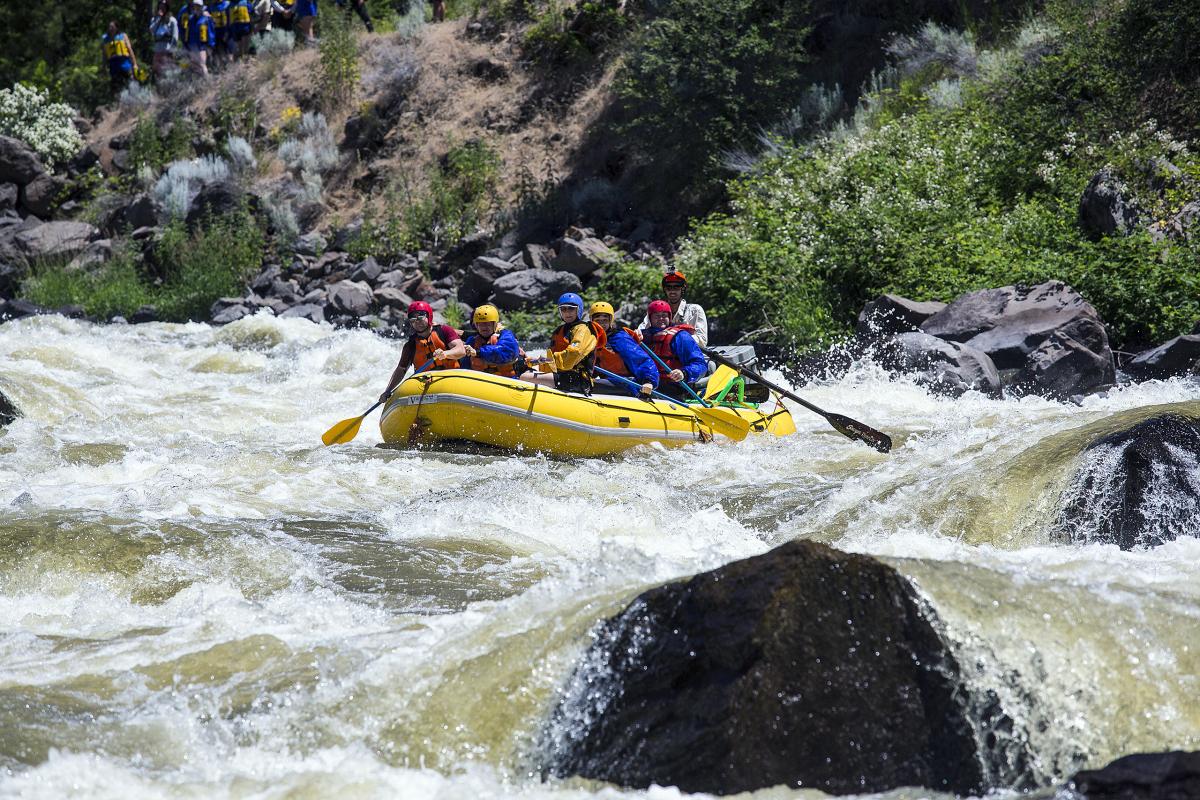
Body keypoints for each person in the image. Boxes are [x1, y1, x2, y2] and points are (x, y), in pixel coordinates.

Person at [377, 301, 466, 403]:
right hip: (427, 386)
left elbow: (461, 350)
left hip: (452, 380)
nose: (417, 322)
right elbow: (401, 370)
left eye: (420, 317)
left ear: (429, 316)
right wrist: (387, 391)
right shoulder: (410, 345)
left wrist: (446, 354)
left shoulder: (444, 331)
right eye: (413, 319)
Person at [535, 293, 606, 395]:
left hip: (578, 379)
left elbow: (573, 354)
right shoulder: (559, 331)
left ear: (579, 309)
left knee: (525, 377)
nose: (567, 312)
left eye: (571, 309)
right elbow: (549, 357)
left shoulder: (583, 330)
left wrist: (548, 360)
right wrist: (532, 362)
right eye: (563, 309)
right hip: (562, 375)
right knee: (527, 371)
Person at [640, 299, 708, 400]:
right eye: (657, 316)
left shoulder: (681, 336)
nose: (661, 319)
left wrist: (684, 373)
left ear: (670, 317)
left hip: (675, 389)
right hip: (647, 385)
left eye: (664, 315)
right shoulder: (642, 336)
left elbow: (700, 365)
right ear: (650, 319)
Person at [589, 301, 657, 398]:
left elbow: (641, 360)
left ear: (610, 321)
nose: (601, 324)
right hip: (609, 381)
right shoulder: (591, 338)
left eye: (605, 320)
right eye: (598, 320)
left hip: (627, 384)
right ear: (592, 321)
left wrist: (648, 381)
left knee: (587, 384)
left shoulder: (620, 338)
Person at [639, 266, 708, 347]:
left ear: (682, 289)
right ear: (665, 290)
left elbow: (702, 341)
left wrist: (673, 337)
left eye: (676, 287)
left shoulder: (695, 310)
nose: (672, 291)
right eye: (669, 287)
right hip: (661, 357)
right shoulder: (656, 310)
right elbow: (641, 331)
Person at [461, 304, 525, 377]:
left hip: (508, 380)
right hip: (481, 381)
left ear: (495, 324)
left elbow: (506, 351)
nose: (484, 327)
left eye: (488, 324)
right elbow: (465, 367)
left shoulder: (506, 335)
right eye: (481, 324)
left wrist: (478, 352)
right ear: (476, 326)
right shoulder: (472, 341)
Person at [101, 22, 140, 95]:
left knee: (130, 81)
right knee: (115, 85)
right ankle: (118, 102)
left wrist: (134, 64)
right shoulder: (105, 39)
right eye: (109, 27)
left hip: (124, 62)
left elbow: (129, 49)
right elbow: (104, 54)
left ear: (116, 28)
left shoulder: (123, 36)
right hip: (113, 65)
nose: (111, 29)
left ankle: (135, 97)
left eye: (112, 27)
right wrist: (103, 68)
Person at [180, 0, 215, 76]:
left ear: (202, 7)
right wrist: (186, 44)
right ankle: (198, 84)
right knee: (193, 67)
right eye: (195, 6)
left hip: (202, 46)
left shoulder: (206, 18)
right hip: (191, 46)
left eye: (198, 6)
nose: (196, 8)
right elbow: (187, 33)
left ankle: (208, 83)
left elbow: (211, 33)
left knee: (202, 65)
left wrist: (211, 46)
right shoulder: (191, 19)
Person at [149, 4, 180, 78]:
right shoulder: (155, 19)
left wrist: (172, 50)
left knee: (167, 69)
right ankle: (159, 87)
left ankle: (171, 86)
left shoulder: (172, 20)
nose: (161, 9)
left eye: (163, 7)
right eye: (160, 7)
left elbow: (175, 36)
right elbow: (151, 30)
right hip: (157, 49)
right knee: (157, 69)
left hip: (167, 49)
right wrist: (158, 19)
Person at [208, 0, 231, 67]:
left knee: (228, 51)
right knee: (218, 52)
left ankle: (231, 68)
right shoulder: (211, 6)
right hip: (215, 33)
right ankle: (222, 68)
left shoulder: (227, 4)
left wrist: (228, 32)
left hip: (225, 31)